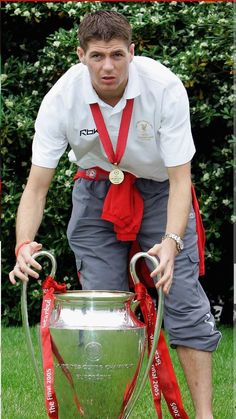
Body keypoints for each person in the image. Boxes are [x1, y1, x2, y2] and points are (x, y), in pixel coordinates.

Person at [9, 10, 221, 419]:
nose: (108, 66)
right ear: (81, 55)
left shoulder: (165, 88)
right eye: (98, 56)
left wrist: (172, 243)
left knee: (182, 299)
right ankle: (102, 412)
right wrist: (22, 244)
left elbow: (181, 182)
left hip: (161, 192)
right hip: (96, 189)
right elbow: (36, 188)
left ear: (133, 53)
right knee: (101, 307)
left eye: (118, 55)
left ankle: (205, 415)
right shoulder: (60, 99)